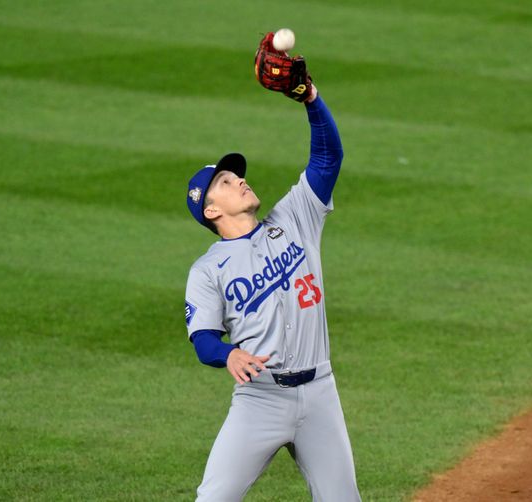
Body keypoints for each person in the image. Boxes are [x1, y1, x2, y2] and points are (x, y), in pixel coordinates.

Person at [183, 36, 361, 502]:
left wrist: (310, 98)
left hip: (320, 390)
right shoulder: (208, 270)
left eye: (235, 174)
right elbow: (202, 340)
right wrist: (229, 355)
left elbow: (328, 158)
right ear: (211, 211)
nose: (239, 179)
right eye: (225, 181)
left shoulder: (294, 217)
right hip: (259, 399)